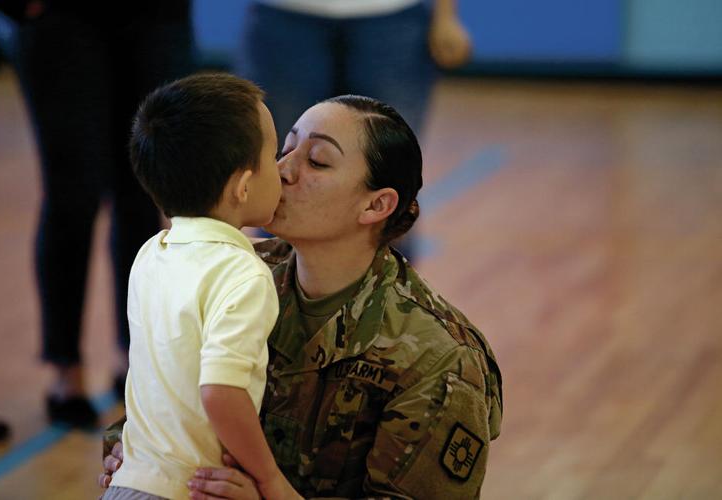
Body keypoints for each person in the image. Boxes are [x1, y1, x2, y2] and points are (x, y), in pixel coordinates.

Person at [101, 94, 502, 499]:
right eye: (285, 149)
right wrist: (130, 450)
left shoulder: (440, 358)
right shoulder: (229, 270)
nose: (282, 170)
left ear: (376, 205)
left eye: (318, 161)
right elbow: (166, 386)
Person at [102, 73, 300, 500]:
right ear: (243, 186)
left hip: (128, 483)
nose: (283, 171)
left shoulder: (152, 253)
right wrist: (269, 478)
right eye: (273, 155)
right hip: (191, 490)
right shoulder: (243, 274)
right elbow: (221, 391)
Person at [5, 0, 195, 427]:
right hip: (62, 19)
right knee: (72, 194)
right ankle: (64, 370)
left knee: (146, 194)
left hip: (156, 19)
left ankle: (136, 362)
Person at [240, 0, 472, 259]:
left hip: (393, 16)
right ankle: (276, 286)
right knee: (277, 170)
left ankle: (390, 292)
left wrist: (445, 15)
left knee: (390, 172)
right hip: (282, 16)